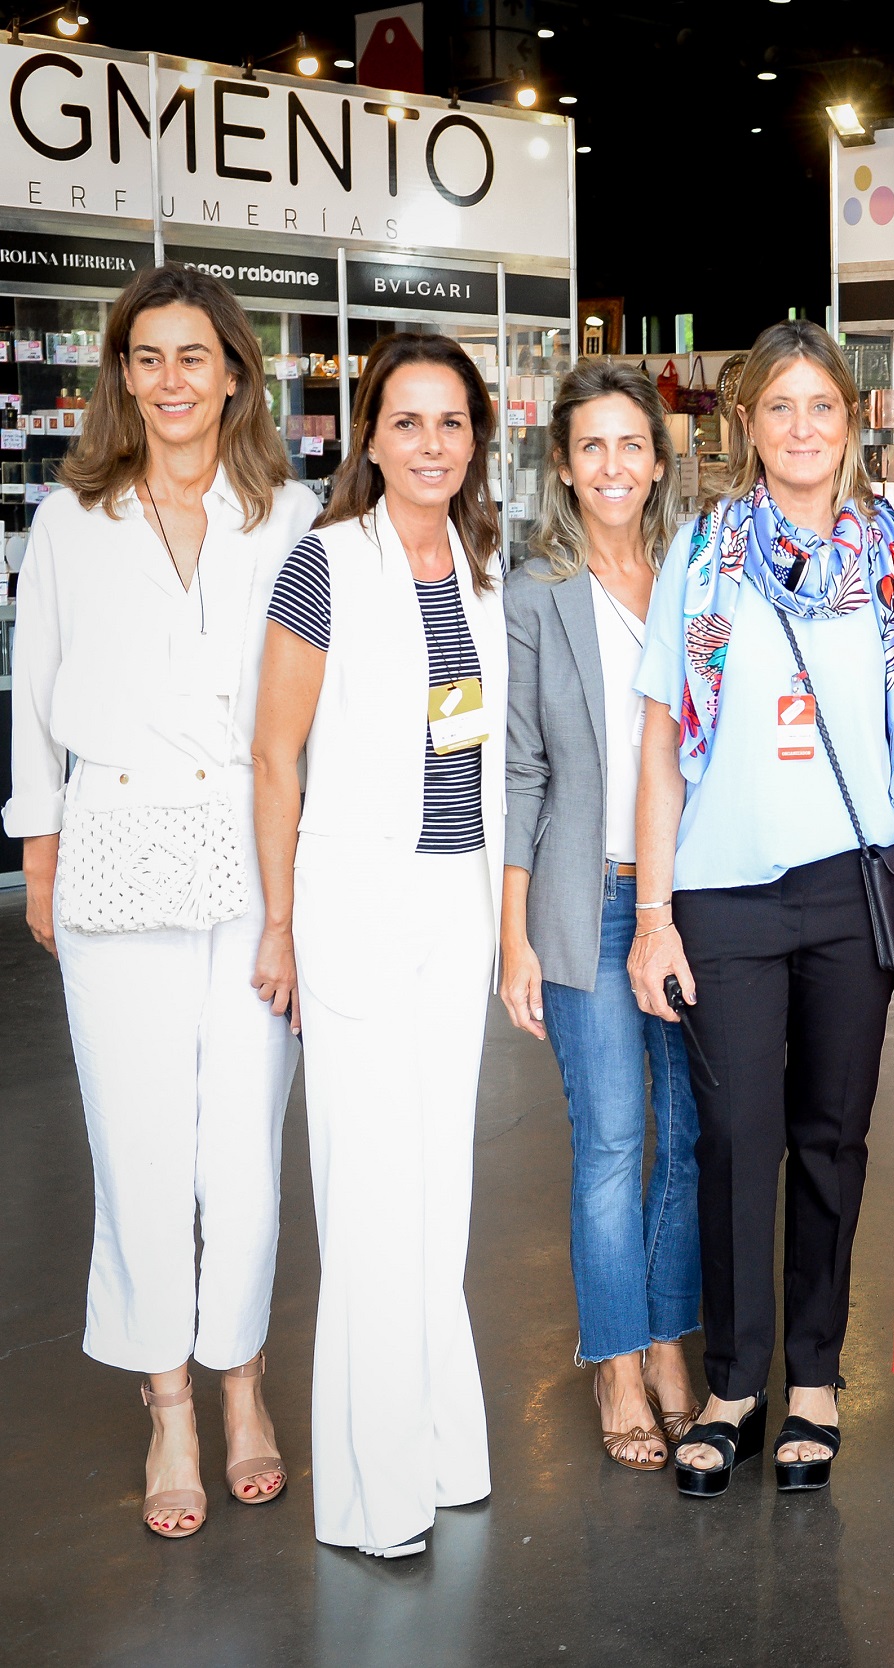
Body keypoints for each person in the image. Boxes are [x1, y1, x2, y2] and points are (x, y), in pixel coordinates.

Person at [4, 265, 316, 1539]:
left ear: (235, 372)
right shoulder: (72, 517)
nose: (172, 380)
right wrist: (41, 853)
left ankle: (244, 1380)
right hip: (116, 838)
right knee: (137, 1146)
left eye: (195, 356)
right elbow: (34, 693)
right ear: (121, 375)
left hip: (250, 854)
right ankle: (170, 1400)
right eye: (148, 357)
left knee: (241, 1143)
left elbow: (311, 709)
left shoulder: (289, 514)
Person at [628, 320, 894, 1498]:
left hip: (854, 887)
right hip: (725, 892)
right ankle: (735, 1380)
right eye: (779, 407)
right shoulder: (700, 556)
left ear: (851, 421)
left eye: (822, 406)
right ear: (745, 424)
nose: (802, 429)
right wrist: (654, 916)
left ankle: (813, 1377)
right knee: (735, 1139)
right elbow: (659, 743)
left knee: (831, 1140)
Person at [252, 330, 506, 1558]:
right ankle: (368, 1491)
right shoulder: (323, 565)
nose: (429, 445)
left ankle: (441, 1443)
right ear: (369, 435)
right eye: (406, 422)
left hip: (451, 905)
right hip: (352, 900)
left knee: (436, 1190)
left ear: (474, 440)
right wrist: (282, 924)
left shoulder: (478, 564)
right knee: (366, 1192)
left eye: (449, 423)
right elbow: (273, 754)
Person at [500, 361, 702, 1471]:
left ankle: (671, 1341)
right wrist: (514, 934)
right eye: (592, 448)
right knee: (612, 1139)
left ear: (658, 459)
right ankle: (617, 1363)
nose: (614, 467)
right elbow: (521, 773)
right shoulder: (535, 591)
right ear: (564, 465)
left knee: (691, 1136)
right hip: (588, 896)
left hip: (683, 896)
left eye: (632, 445)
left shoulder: (690, 572)